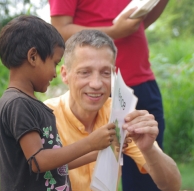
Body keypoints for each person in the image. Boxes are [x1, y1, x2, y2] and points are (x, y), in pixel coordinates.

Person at [48, 0, 169, 190]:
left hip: (142, 78)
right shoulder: (47, 113)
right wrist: (115, 32)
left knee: (147, 179)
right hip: (105, 89)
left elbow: (138, 23)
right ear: (64, 73)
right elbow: (59, 31)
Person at [0, 15, 121, 191]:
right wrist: (90, 143)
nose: (55, 74)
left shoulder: (30, 103)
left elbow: (56, 162)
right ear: (33, 57)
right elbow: (39, 161)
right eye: (54, 63)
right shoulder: (18, 104)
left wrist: (99, 150)